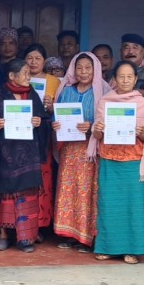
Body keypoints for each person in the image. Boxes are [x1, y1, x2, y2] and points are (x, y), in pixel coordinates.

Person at [91, 60, 144, 265]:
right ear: (114, 79)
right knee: (108, 204)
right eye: (121, 76)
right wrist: (99, 128)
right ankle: (107, 247)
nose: (125, 80)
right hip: (110, 160)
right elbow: (96, 134)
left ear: (136, 79)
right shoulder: (105, 102)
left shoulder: (142, 103)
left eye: (129, 77)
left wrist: (141, 134)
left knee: (132, 206)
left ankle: (132, 249)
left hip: (133, 162)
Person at [0, 59, 49, 252]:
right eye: (25, 72)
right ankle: (3, 235)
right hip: (5, 155)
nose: (29, 76)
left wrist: (38, 122)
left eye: (29, 72)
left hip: (29, 156)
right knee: (4, 195)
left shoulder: (32, 94)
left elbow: (44, 120)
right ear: (12, 76)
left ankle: (26, 239)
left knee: (27, 197)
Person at [52, 52, 109, 252]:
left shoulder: (103, 91)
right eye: (79, 68)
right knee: (68, 190)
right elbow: (56, 114)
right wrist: (56, 124)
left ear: (95, 69)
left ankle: (86, 237)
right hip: (69, 149)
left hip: (90, 150)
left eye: (88, 67)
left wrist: (92, 125)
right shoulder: (66, 90)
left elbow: (108, 120)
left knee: (87, 192)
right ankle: (68, 234)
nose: (83, 72)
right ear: (73, 70)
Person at [23, 43, 59, 237]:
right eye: (29, 58)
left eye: (37, 58)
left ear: (44, 61)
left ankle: (41, 224)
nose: (33, 62)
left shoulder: (54, 81)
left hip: (44, 135)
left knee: (43, 178)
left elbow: (61, 110)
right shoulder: (20, 79)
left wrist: (51, 107)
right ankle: (25, 224)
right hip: (22, 135)